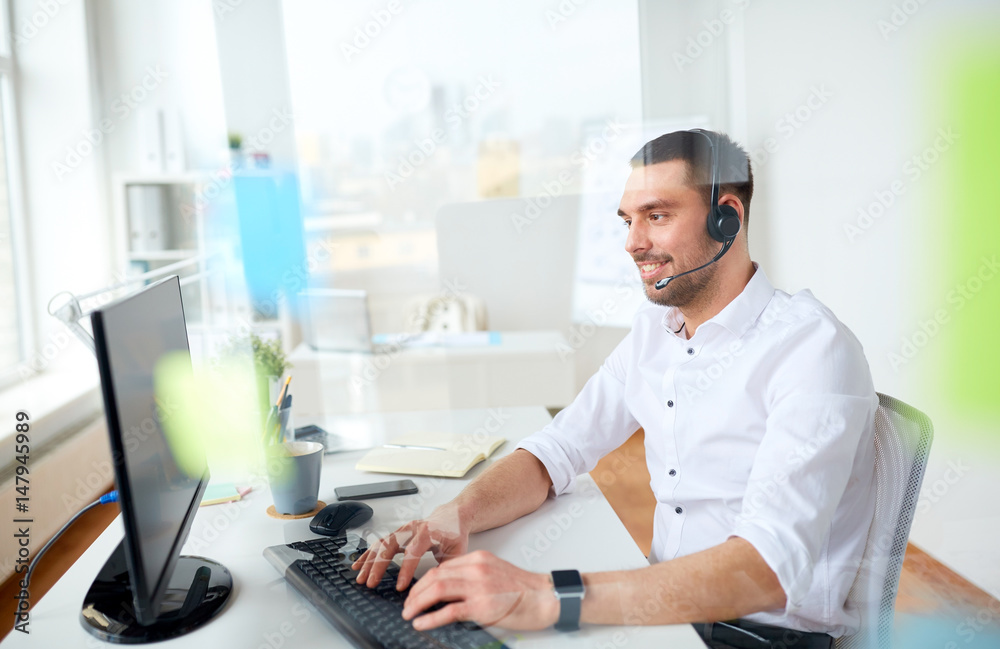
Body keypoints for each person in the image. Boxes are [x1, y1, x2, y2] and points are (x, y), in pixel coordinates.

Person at [352, 130, 877, 648]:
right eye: (629, 220)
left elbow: (765, 569)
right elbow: (560, 447)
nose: (633, 243)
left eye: (658, 215)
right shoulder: (657, 331)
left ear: (728, 217)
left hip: (754, 636)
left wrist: (545, 596)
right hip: (665, 606)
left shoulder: (811, 350)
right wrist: (456, 514)